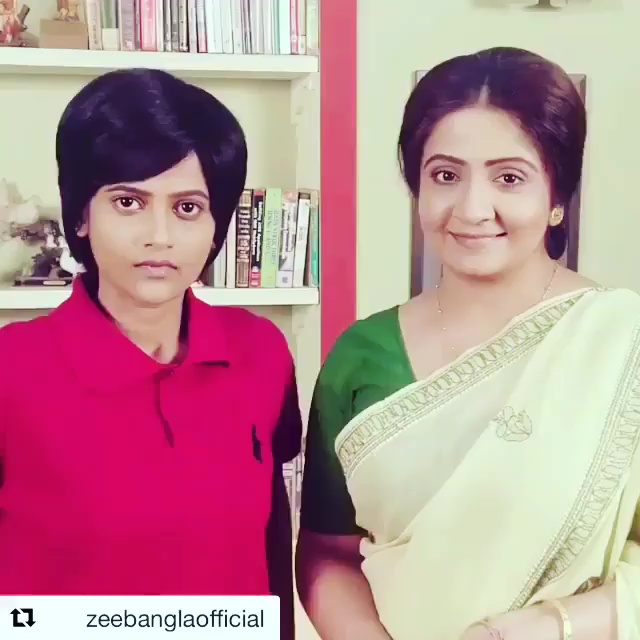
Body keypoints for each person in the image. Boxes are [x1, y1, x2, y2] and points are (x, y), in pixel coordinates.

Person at [296, 46, 640, 640]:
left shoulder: (621, 343)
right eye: (445, 176)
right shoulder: (361, 355)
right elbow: (328, 552)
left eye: (509, 178)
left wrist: (529, 630)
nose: (473, 209)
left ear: (558, 199)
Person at [0, 69, 301, 638]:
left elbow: (270, 548)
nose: (159, 235)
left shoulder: (262, 351)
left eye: (187, 207)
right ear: (82, 214)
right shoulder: (11, 369)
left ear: (216, 226)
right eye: (128, 202)